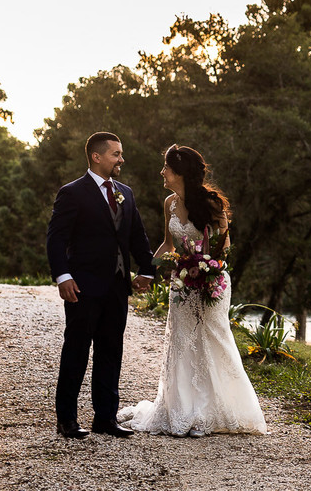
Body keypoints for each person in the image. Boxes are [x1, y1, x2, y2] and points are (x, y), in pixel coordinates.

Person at [116, 144, 267, 436]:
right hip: (182, 283)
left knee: (213, 339)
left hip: (212, 281)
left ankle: (216, 411)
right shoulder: (169, 203)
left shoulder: (212, 204)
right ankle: (184, 409)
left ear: (180, 172)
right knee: (182, 341)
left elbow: (225, 246)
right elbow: (168, 244)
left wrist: (206, 266)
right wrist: (149, 270)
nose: (162, 172)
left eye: (166, 168)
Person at [46, 132, 154, 439]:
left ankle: (105, 418)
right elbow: (56, 238)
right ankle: (66, 419)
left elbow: (137, 236)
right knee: (76, 351)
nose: (121, 159)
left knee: (111, 351)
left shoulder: (125, 193)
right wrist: (63, 276)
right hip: (82, 286)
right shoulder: (72, 192)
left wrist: (147, 269)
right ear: (96, 156)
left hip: (117, 286)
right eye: (116, 154)